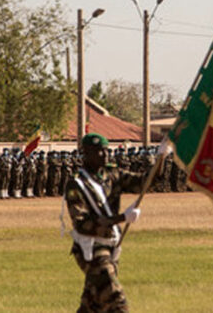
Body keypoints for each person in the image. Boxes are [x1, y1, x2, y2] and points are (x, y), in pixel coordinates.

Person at [65, 133, 146, 313]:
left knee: (92, 305)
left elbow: (146, 182)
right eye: (98, 152)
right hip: (91, 249)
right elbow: (82, 224)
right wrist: (122, 218)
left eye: (105, 151)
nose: (104, 155)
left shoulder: (112, 175)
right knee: (116, 300)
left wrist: (162, 157)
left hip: (111, 244)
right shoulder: (76, 184)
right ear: (85, 154)